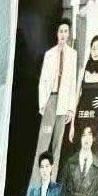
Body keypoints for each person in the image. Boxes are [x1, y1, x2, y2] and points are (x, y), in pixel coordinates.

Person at [35, 20, 77, 185]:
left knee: (57, 145)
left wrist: (71, 109)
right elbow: (42, 81)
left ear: (69, 34)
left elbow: (73, 83)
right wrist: (42, 104)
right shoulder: (49, 54)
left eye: (66, 31)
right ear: (57, 33)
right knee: (43, 143)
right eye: (61, 31)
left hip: (64, 102)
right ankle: (37, 183)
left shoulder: (72, 55)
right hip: (51, 100)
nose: (63, 34)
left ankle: (51, 183)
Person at [66, 35, 98, 158]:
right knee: (77, 155)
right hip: (81, 117)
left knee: (95, 155)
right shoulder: (83, 71)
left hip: (96, 118)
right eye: (93, 48)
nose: (95, 51)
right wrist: (72, 126)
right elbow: (76, 99)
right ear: (90, 50)